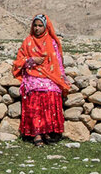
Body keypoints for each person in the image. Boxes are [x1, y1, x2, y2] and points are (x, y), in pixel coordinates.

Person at [12, 14, 71, 146]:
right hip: (32, 74)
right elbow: (18, 61)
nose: (37, 28)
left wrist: (61, 78)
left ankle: (48, 131)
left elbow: (57, 63)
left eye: (40, 26)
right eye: (35, 25)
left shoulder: (52, 42)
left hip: (49, 74)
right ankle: (37, 133)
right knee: (34, 92)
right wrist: (31, 60)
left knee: (52, 91)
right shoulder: (28, 41)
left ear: (45, 27)